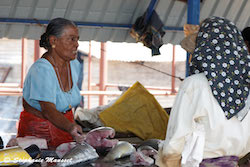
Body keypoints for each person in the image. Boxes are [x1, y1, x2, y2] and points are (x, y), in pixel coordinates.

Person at [156, 16, 250, 167]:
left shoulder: (195, 85)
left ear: (204, 49)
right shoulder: (246, 86)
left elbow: (175, 141)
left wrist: (169, 161)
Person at [17, 18, 85, 149]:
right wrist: (70, 127)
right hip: (38, 131)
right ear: (53, 41)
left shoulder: (74, 64)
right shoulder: (42, 69)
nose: (76, 45)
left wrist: (69, 126)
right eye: (71, 39)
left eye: (77, 39)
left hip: (64, 127)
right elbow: (48, 110)